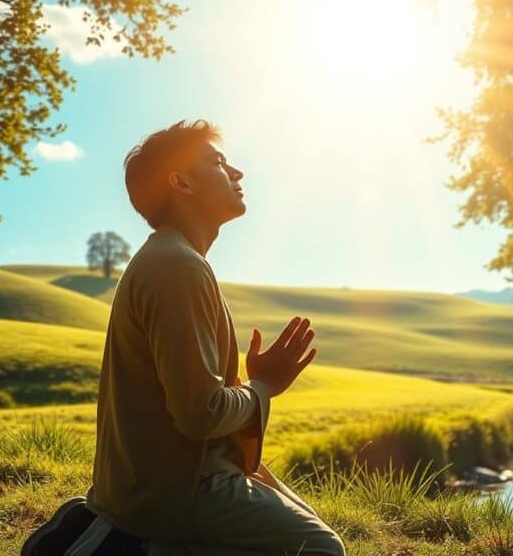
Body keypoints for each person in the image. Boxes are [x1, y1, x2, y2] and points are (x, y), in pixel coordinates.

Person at [22, 120, 345, 556]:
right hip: (173, 491)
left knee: (314, 531)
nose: (237, 173)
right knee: (323, 551)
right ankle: (121, 545)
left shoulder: (175, 259)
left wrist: (254, 389)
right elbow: (201, 415)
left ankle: (110, 533)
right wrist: (264, 386)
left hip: (175, 478)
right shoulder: (177, 266)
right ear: (180, 181)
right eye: (217, 162)